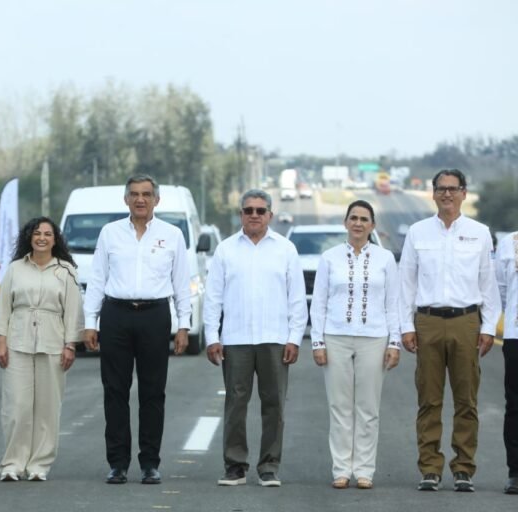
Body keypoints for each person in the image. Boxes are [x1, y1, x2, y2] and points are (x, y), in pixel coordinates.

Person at [83, 175, 191, 485]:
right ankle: (117, 463)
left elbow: (181, 283)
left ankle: (150, 463)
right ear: (125, 199)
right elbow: (97, 280)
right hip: (116, 314)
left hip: (155, 315)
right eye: (134, 194)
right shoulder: (110, 233)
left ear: (157, 200)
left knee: (152, 392)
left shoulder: (172, 235)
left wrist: (184, 325)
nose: (140, 199)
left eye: (146, 194)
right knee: (115, 391)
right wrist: (91, 323)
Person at [399, 169, 500, 492]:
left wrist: (486, 327)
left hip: (466, 321)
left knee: (466, 400)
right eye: (441, 189)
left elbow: (488, 283)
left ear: (464, 193)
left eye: (452, 189)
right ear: (433, 194)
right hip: (427, 320)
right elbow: (406, 284)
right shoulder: (417, 232)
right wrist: (406, 326)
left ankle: (463, 468)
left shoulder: (479, 232)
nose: (446, 194)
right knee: (429, 398)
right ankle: (430, 467)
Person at [203, 189, 307, 487]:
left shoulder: (285, 249)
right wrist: (212, 336)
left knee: (274, 403)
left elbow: (297, 299)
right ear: (240, 215)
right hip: (236, 339)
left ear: (270, 215)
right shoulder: (225, 250)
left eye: (260, 211)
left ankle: (269, 466)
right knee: (236, 403)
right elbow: (213, 298)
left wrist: (294, 338)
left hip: (275, 338)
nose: (254, 216)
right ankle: (235, 466)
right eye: (248, 210)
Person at [309, 200, 401, 490]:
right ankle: (341, 469)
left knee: (368, 407)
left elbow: (393, 304)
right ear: (345, 223)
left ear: (372, 225)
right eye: (353, 218)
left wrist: (394, 342)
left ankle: (364, 470)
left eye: (364, 219)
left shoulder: (385, 260)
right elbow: (319, 302)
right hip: (335, 336)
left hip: (374, 338)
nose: (358, 223)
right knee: (339, 406)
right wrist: (318, 341)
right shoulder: (329, 258)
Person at [0, 217, 83, 482]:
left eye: (48, 234)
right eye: (37, 233)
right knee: (16, 406)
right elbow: (4, 306)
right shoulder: (16, 268)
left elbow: (73, 310)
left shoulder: (66, 270)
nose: (42, 238)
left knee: (47, 408)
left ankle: (39, 464)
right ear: (29, 237)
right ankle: (12, 463)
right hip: (18, 341)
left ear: (55, 239)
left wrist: (70, 345)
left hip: (53, 344)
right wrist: (1, 342)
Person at [495, 231, 518, 494]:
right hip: (516, 336)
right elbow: (500, 290)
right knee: (515, 405)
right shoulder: (509, 243)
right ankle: (516, 471)